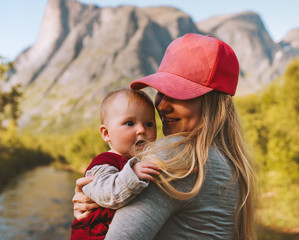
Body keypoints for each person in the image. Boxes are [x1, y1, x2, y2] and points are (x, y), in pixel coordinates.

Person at [72, 33, 256, 240]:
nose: (161, 105)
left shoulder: (180, 154)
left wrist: (95, 211)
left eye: (178, 93)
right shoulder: (230, 163)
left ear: (212, 103)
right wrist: (101, 201)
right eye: (160, 91)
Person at [70, 89, 160, 240]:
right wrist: (132, 175)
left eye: (149, 123)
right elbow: (105, 193)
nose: (142, 130)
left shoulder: (145, 162)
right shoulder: (102, 163)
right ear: (106, 134)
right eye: (130, 123)